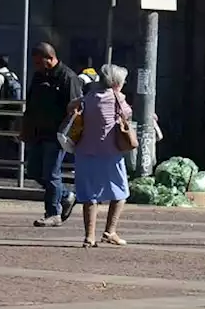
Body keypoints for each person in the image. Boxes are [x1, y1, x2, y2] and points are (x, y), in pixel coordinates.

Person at [73, 64, 133, 247]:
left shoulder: (88, 98)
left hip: (84, 151)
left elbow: (71, 106)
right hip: (110, 153)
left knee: (90, 195)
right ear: (116, 83)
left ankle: (89, 237)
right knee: (121, 191)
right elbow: (127, 115)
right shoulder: (118, 100)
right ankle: (110, 231)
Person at [23, 42, 82, 227]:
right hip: (38, 132)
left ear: (50, 58)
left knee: (51, 173)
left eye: (40, 63)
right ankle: (66, 195)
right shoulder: (38, 76)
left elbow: (76, 108)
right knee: (33, 171)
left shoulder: (68, 77)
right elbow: (31, 103)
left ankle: (53, 213)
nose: (37, 67)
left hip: (56, 134)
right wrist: (25, 127)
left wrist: (68, 133)